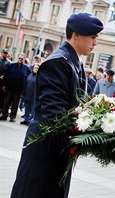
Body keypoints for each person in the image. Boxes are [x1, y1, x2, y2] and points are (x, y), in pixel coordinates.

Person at [11, 12, 103, 198]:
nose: (95, 43)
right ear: (76, 34)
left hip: (57, 151)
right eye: (92, 37)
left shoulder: (73, 62)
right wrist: (86, 137)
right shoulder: (58, 63)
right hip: (45, 151)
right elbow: (54, 115)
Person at [0, 53, 31, 122]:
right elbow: (6, 75)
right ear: (17, 58)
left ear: (24, 59)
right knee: (6, 102)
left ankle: (12, 116)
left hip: (18, 89)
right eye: (19, 58)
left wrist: (25, 89)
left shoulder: (26, 68)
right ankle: (4, 115)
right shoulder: (11, 65)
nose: (20, 60)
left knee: (15, 103)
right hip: (9, 87)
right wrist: (4, 85)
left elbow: (29, 78)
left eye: (22, 59)